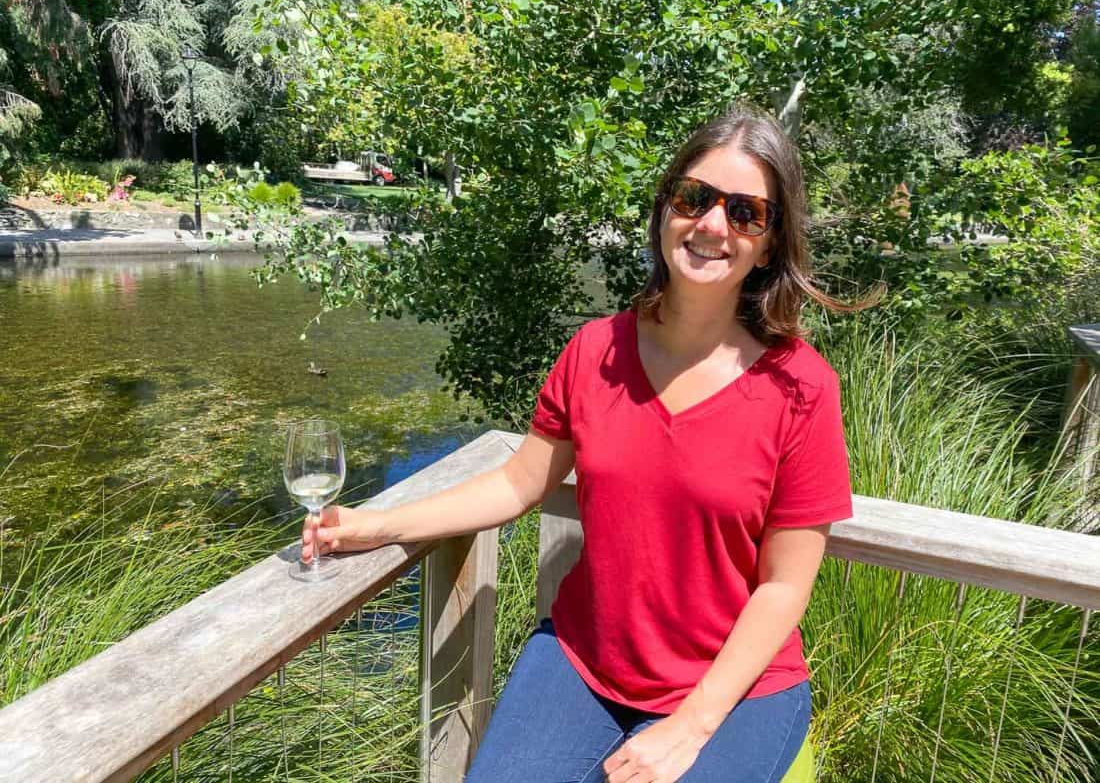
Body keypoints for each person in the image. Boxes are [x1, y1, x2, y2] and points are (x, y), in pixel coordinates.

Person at [302, 105, 863, 782]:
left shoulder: (801, 387)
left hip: (736, 687)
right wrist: (376, 522)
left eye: (745, 212)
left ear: (770, 242)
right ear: (664, 210)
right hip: (586, 660)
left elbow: (783, 586)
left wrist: (688, 726)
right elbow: (517, 482)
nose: (712, 224)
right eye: (694, 198)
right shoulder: (595, 351)